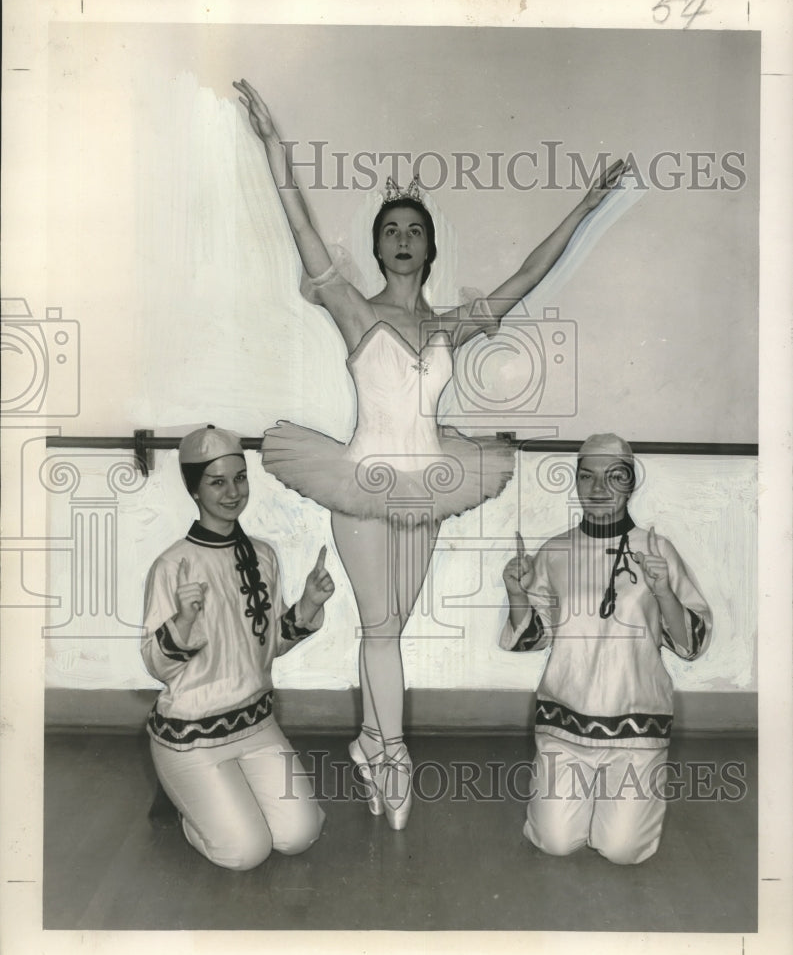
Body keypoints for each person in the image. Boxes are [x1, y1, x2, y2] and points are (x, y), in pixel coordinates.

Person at [233, 77, 626, 830]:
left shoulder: (448, 328)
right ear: (379, 246)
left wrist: (583, 206)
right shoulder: (352, 310)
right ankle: (391, 755)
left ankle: (373, 744)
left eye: (414, 229)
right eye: (390, 230)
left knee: (392, 629)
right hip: (358, 480)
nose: (402, 238)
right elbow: (303, 232)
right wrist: (273, 145)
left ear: (430, 247)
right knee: (379, 628)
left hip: (434, 483)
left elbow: (524, 279)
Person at [500, 433, 712, 864]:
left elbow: (690, 645)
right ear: (575, 483)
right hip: (564, 724)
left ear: (630, 483)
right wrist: (516, 592)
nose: (598, 490)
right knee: (556, 843)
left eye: (613, 477)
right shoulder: (556, 551)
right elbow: (532, 636)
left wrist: (664, 592)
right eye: (587, 477)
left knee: (623, 851)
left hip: (637, 726)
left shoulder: (658, 552)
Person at [141, 425, 334, 870]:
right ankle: (187, 806)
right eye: (217, 481)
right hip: (191, 735)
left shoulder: (263, 555)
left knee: (299, 835)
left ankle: (226, 798)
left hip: (256, 723)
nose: (232, 492)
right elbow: (155, 664)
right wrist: (183, 622)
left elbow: (269, 646)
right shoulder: (173, 565)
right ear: (194, 489)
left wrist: (308, 604)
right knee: (246, 853)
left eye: (240, 478)